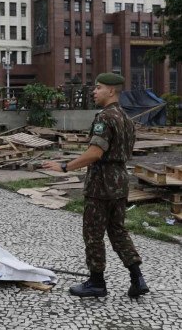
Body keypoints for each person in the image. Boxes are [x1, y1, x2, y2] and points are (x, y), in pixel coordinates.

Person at [42, 73, 149, 298]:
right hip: (120, 182)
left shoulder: (105, 118)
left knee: (93, 234)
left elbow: (95, 152)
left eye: (98, 88)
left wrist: (65, 167)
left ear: (111, 91)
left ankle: (97, 282)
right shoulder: (126, 118)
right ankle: (137, 278)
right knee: (118, 231)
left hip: (101, 184)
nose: (94, 91)